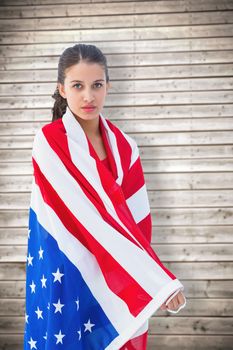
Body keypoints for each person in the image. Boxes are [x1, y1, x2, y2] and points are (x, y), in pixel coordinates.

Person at [24, 43, 186, 350]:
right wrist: (156, 281)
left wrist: (146, 281)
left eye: (97, 85)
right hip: (68, 268)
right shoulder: (49, 142)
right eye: (77, 86)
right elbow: (93, 216)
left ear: (108, 86)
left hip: (116, 274)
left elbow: (137, 227)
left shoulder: (126, 148)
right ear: (62, 89)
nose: (88, 96)